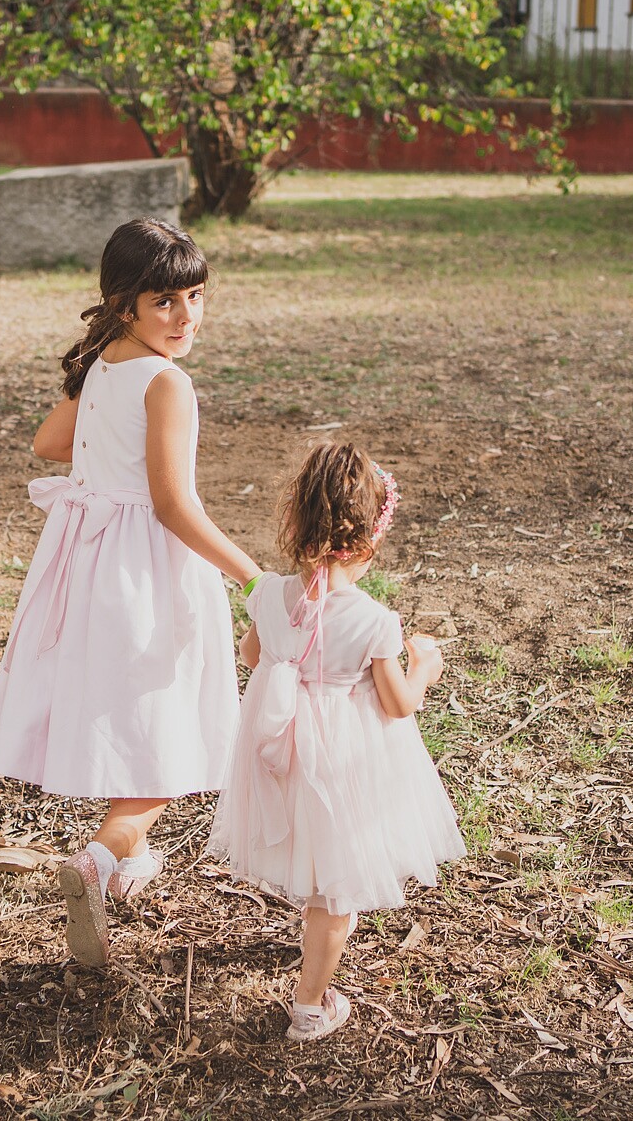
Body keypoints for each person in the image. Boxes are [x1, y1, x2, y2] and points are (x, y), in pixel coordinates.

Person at [0, 217, 259, 967]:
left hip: (91, 559)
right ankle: (99, 859)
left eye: (196, 296)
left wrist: (103, 448)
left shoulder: (107, 363)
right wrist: (254, 576)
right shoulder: (167, 382)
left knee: (144, 717)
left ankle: (131, 854)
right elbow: (173, 504)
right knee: (178, 732)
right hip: (150, 567)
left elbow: (48, 441)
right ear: (123, 302)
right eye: (164, 301)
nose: (185, 316)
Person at [208, 443, 465, 1042]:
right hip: (342, 765)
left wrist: (284, 656)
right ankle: (309, 1007)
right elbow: (399, 704)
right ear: (371, 539)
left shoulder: (270, 593)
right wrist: (425, 666)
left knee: (307, 849)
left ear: (296, 522)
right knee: (335, 889)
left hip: (281, 753)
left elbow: (252, 655)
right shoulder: (374, 620)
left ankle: (311, 954)